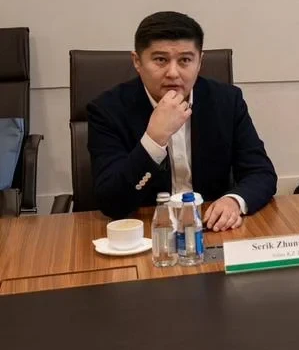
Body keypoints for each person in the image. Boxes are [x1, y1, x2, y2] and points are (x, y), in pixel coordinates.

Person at [87, 12, 277, 225]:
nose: (173, 73)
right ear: (137, 61)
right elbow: (111, 201)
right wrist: (153, 140)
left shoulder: (227, 101)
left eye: (185, 60)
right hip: (146, 228)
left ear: (200, 62)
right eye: (160, 60)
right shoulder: (107, 110)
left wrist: (233, 201)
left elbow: (261, 173)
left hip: (211, 226)